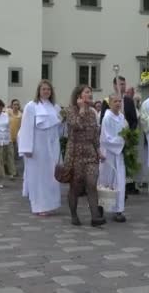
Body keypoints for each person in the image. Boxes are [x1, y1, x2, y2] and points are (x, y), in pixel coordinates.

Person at [18, 80, 63, 216]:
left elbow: (59, 129)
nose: (46, 92)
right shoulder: (31, 106)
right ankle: (39, 206)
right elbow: (26, 128)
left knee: (51, 175)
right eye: (43, 89)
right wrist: (26, 148)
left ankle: (51, 204)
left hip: (53, 145)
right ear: (39, 91)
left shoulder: (55, 107)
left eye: (48, 89)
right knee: (38, 176)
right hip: (37, 146)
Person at [64, 85, 106, 227]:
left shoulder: (93, 113)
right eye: (87, 92)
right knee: (75, 187)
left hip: (90, 152)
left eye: (90, 92)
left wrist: (98, 150)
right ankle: (74, 214)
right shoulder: (70, 110)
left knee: (92, 184)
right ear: (79, 96)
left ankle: (95, 217)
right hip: (75, 153)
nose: (90, 94)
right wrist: (81, 110)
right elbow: (75, 125)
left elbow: (95, 134)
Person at [100, 76, 139, 194]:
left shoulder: (128, 101)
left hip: (125, 141)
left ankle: (124, 194)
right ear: (114, 85)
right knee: (110, 175)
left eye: (124, 84)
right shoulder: (106, 102)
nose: (122, 86)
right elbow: (102, 122)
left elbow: (133, 120)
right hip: (112, 146)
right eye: (120, 84)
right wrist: (121, 140)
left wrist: (129, 135)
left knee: (122, 173)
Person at [98, 93, 127, 222]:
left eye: (120, 101)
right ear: (110, 103)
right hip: (108, 153)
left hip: (118, 154)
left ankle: (118, 209)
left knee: (120, 180)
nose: (118, 104)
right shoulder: (107, 118)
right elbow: (106, 138)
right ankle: (101, 207)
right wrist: (122, 140)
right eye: (115, 101)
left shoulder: (122, 117)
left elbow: (126, 132)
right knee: (106, 180)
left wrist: (127, 139)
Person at [7, 99, 22, 176]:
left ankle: (14, 170)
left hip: (17, 138)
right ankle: (11, 172)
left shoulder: (20, 114)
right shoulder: (8, 113)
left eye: (17, 104)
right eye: (14, 104)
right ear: (12, 105)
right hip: (8, 137)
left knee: (15, 155)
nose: (16, 106)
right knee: (10, 155)